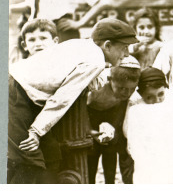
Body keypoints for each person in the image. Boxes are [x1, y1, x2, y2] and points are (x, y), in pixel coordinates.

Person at [7, 17, 138, 184]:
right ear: (107, 46)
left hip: (21, 90)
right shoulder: (95, 60)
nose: (127, 54)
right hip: (14, 92)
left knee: (51, 155)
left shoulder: (84, 46)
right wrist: (36, 131)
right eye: (124, 48)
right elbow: (63, 98)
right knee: (28, 159)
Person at [87, 56, 141, 184]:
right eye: (121, 88)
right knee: (92, 156)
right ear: (110, 80)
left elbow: (124, 109)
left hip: (113, 116)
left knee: (110, 152)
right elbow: (82, 109)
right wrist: (89, 130)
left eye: (131, 89)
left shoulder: (129, 93)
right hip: (92, 116)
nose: (126, 93)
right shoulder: (97, 87)